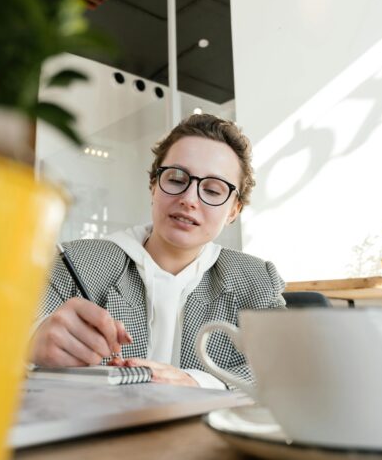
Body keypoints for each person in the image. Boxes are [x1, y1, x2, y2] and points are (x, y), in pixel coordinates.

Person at [30, 114, 286, 389]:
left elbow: (288, 367)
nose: (188, 199)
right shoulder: (76, 262)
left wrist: (198, 382)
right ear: (153, 185)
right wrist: (30, 345)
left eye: (212, 190)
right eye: (176, 179)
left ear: (234, 210)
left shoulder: (258, 279)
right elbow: (9, 335)